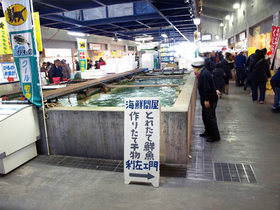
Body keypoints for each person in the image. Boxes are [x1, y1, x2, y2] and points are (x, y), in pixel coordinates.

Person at [192, 57, 220, 142]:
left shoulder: (204, 74)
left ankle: (215, 136)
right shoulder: (204, 72)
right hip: (208, 99)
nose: (193, 69)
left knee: (210, 118)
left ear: (197, 67)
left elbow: (207, 88)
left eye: (193, 68)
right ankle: (208, 131)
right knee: (205, 117)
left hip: (210, 100)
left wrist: (207, 100)